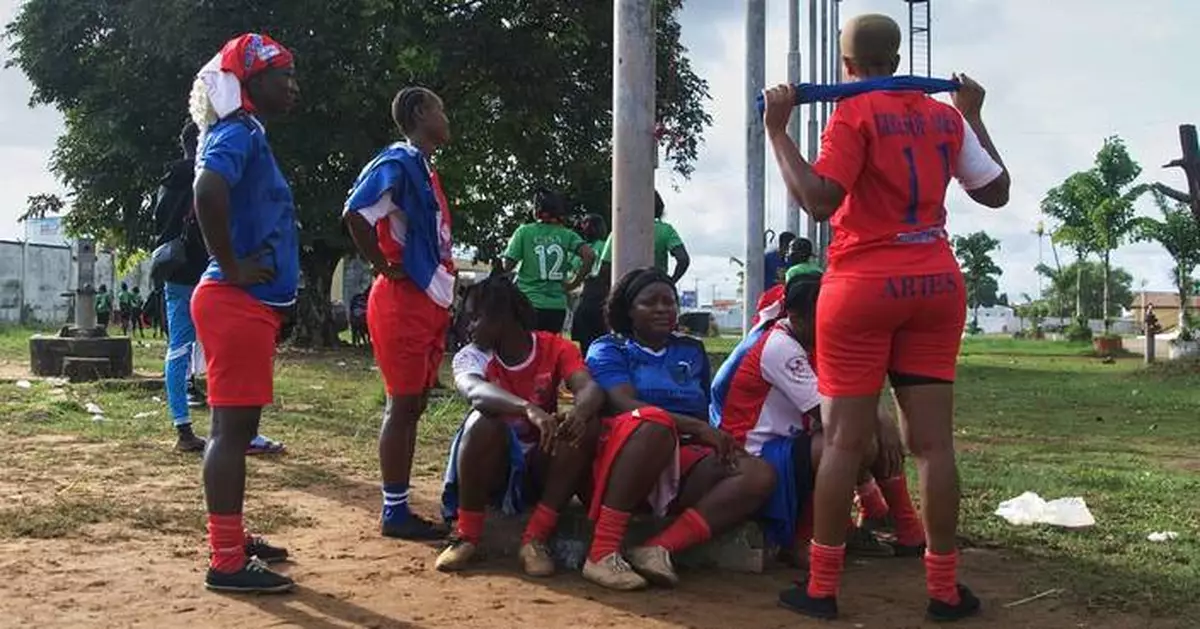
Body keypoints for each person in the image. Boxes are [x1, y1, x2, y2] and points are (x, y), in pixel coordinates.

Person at [762, 13, 1009, 622]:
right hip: (934, 282)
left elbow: (821, 201)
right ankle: (945, 591)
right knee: (934, 447)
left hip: (863, 284)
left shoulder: (853, 113)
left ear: (846, 67)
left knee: (844, 440)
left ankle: (821, 589)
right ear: (898, 59)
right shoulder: (944, 115)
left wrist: (777, 131)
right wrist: (973, 111)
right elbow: (997, 191)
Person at [188, 32, 301, 593]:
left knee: (235, 429)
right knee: (230, 434)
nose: (293, 87)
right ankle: (227, 561)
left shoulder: (248, 133)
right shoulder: (238, 131)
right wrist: (229, 266)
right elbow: (208, 190)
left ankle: (231, 537)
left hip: (246, 305)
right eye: (285, 76)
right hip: (236, 301)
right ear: (253, 81)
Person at [710, 273, 926, 564]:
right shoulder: (779, 346)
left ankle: (902, 528)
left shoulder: (815, 338)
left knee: (860, 436)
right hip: (754, 450)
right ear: (797, 316)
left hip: (789, 440)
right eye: (824, 316)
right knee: (850, 442)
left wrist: (881, 417)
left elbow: (853, 389)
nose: (833, 323)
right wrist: (877, 421)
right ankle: (805, 540)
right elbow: (831, 414)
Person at [582, 267, 776, 590]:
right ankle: (602, 552)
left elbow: (703, 406)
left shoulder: (691, 351)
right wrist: (696, 427)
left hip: (685, 456)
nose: (662, 309)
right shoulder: (608, 349)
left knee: (759, 475)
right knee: (655, 423)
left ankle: (658, 549)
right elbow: (624, 404)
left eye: (669, 302)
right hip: (629, 454)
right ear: (628, 310)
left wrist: (709, 437)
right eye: (650, 302)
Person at [343, 86, 455, 541]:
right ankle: (394, 510)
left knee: (415, 405)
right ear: (420, 112)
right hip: (402, 301)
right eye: (441, 109)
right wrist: (382, 265)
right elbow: (356, 213)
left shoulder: (424, 169)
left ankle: (401, 503)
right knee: (402, 403)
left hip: (429, 298)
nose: (447, 118)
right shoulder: (398, 162)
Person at [437, 274, 604, 576]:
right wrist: (527, 408)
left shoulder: (554, 347)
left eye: (475, 318)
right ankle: (467, 534)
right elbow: (474, 391)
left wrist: (579, 412)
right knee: (483, 421)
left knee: (585, 426)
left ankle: (535, 538)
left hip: (540, 465)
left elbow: (588, 387)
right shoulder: (471, 355)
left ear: (502, 315)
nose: (468, 327)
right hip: (495, 470)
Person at [155, 120, 285, 455]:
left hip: (176, 275)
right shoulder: (212, 175)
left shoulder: (166, 183)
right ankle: (239, 431)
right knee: (228, 353)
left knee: (179, 349)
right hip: (215, 275)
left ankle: (182, 426)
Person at [501, 188, 595, 333]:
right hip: (556, 306)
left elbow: (507, 265)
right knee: (549, 350)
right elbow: (589, 255)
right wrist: (574, 283)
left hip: (528, 302)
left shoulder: (524, 232)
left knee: (528, 349)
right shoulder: (567, 234)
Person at [597, 191, 690, 284]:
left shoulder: (619, 232)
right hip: (655, 286)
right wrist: (670, 282)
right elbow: (683, 259)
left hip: (626, 289)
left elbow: (604, 268)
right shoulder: (666, 230)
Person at [569, 213, 610, 356]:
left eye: (588, 224)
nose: (584, 227)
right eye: (584, 223)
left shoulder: (599, 247)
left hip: (592, 297)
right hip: (586, 298)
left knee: (590, 343)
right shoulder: (581, 248)